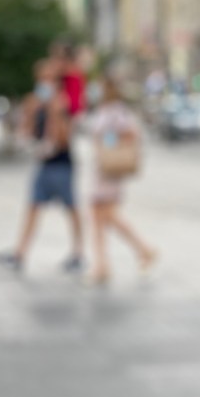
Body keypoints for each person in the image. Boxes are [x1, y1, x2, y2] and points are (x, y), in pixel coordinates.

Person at [0, 60, 84, 273]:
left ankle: (78, 253)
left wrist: (54, 114)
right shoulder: (37, 103)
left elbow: (64, 138)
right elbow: (26, 131)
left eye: (48, 78)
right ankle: (20, 253)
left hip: (61, 164)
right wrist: (29, 117)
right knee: (33, 206)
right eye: (41, 78)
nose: (44, 83)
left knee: (71, 208)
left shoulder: (61, 103)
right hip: (44, 163)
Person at [86, 78, 157, 285]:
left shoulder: (116, 111)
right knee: (99, 217)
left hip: (110, 170)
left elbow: (132, 134)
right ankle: (103, 265)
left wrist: (111, 141)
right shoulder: (105, 110)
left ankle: (142, 251)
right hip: (102, 169)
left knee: (105, 215)